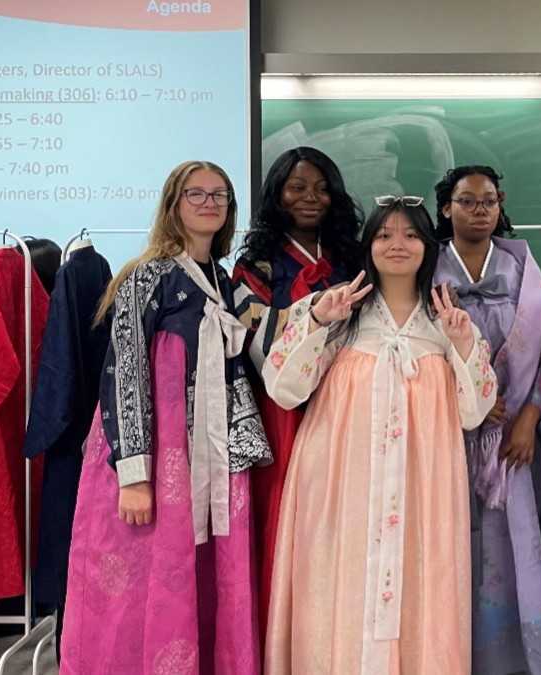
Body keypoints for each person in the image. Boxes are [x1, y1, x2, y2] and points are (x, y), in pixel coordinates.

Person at [261, 197, 497, 674]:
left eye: (410, 235)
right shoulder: (338, 309)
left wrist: (465, 344)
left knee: (420, 590)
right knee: (338, 589)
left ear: (428, 246)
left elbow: (474, 412)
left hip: (422, 495)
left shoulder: (445, 319)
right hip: (340, 490)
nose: (397, 245)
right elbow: (283, 388)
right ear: (368, 245)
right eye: (385, 234)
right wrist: (317, 321)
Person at [61, 161, 272, 675]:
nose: (209, 202)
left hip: (216, 451)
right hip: (158, 453)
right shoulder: (146, 275)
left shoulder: (224, 280)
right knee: (142, 576)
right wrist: (134, 474)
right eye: (195, 193)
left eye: (219, 194)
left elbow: (267, 343)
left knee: (209, 568)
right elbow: (125, 369)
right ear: (173, 202)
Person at [433, 165, 541, 674]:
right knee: (454, 552)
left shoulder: (521, 262)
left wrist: (531, 414)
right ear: (447, 207)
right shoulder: (429, 268)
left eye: (488, 201)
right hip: (450, 437)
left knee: (519, 553)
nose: (479, 210)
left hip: (515, 443)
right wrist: (468, 397)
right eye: (467, 201)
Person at [232, 147, 362, 647]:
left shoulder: (352, 255)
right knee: (289, 523)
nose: (311, 197)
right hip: (284, 409)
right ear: (276, 193)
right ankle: (285, 641)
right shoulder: (254, 263)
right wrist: (319, 315)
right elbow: (255, 337)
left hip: (350, 404)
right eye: (297, 186)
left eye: (321, 187)